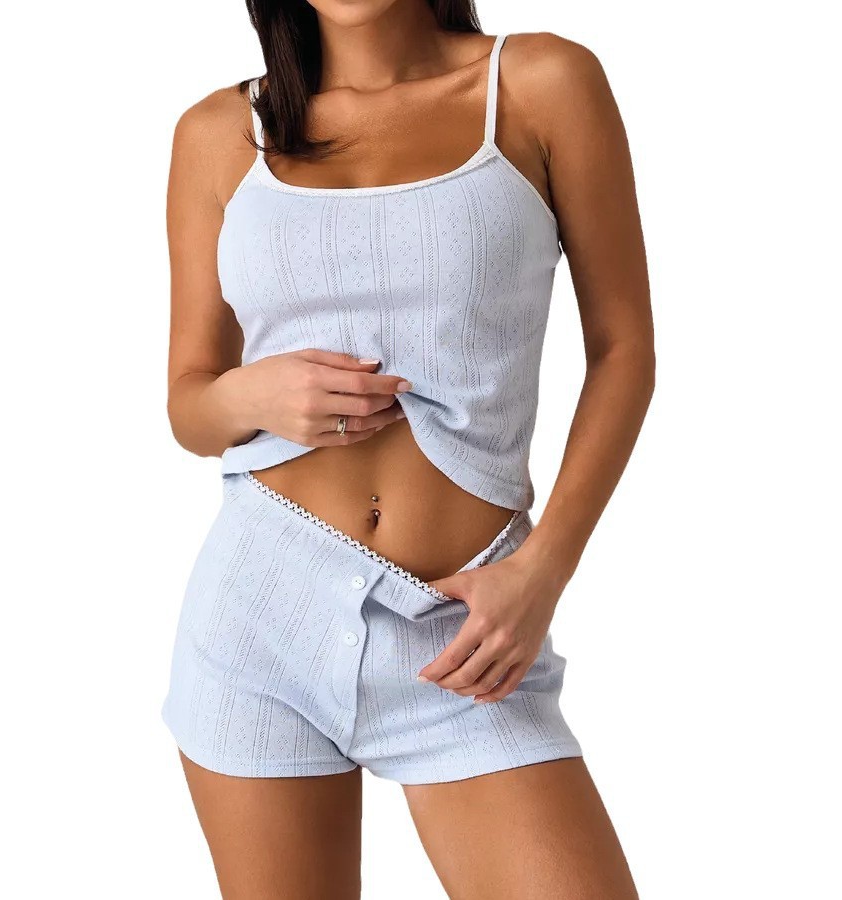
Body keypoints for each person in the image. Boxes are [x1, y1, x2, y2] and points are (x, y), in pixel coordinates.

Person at [160, 0, 653, 896]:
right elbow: (189, 404)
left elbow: (624, 351)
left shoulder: (539, 84)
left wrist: (543, 570)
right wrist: (251, 393)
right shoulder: (219, 133)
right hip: (260, 616)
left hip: (467, 635)